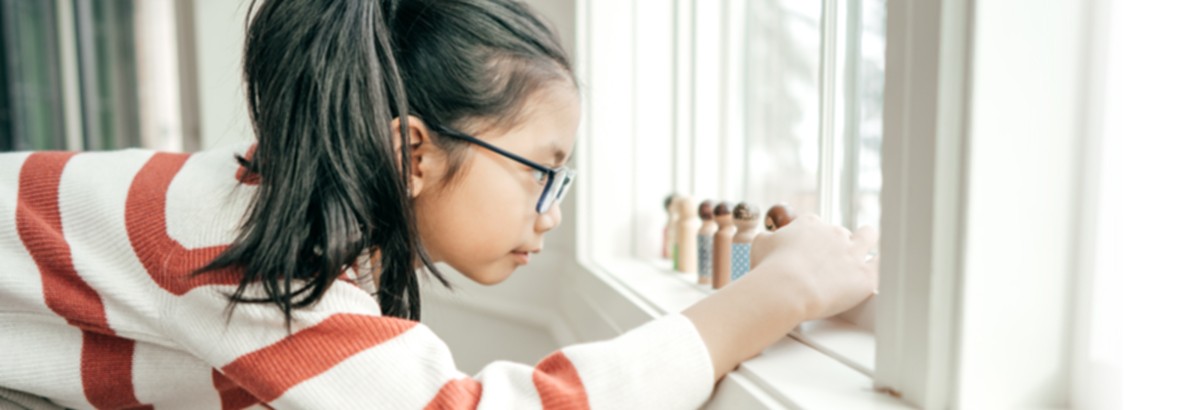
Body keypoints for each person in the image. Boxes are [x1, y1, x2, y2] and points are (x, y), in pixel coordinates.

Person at [0, 0, 879, 408]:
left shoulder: (288, 216)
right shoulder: (255, 263)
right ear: (412, 151)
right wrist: (772, 298)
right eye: (543, 170)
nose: (553, 213)